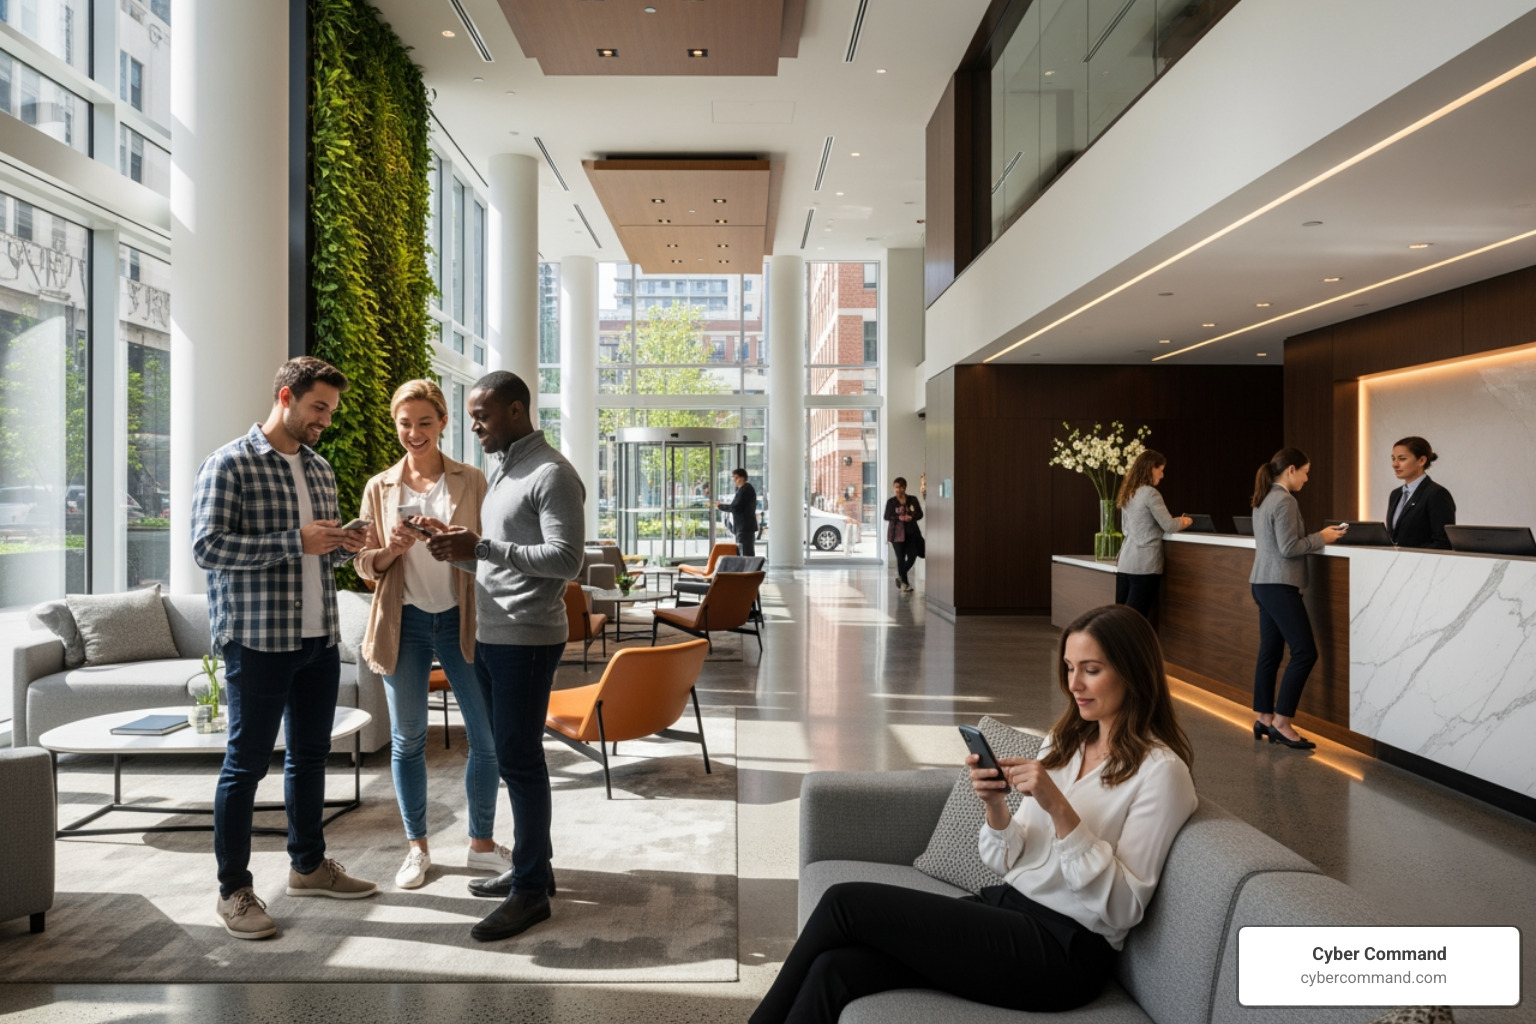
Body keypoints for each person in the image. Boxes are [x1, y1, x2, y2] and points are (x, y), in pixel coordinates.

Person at [750, 605, 1197, 1024]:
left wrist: (1058, 806)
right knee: (835, 969)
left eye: (1091, 670)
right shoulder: (1064, 744)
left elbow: (1122, 908)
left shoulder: (1161, 774)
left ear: (1134, 673)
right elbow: (1008, 860)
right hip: (1003, 911)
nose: (1074, 684)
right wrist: (995, 806)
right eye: (1069, 668)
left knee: (844, 902)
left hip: (1063, 951)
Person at [192, 356, 379, 942]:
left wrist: (349, 544)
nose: (326, 419)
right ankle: (234, 891)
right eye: (318, 407)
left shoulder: (320, 469)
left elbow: (320, 551)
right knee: (245, 766)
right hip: (258, 638)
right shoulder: (230, 464)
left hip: (319, 639)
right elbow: (207, 547)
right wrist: (293, 541)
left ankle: (308, 866)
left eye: (331, 410)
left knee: (308, 758)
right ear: (285, 397)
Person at [424, 370, 585, 942]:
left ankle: (530, 892)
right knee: (512, 757)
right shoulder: (505, 470)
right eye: (472, 415)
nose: (474, 425)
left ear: (516, 411)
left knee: (520, 762)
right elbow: (497, 561)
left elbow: (567, 561)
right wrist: (456, 549)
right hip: (493, 634)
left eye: (482, 414)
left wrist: (484, 546)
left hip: (528, 638)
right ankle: (531, 870)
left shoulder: (552, 473)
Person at [354, 379, 510, 891]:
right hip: (406, 622)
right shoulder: (380, 487)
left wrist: (452, 542)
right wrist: (393, 549)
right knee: (408, 740)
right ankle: (416, 847)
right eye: (404, 424)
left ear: (443, 423)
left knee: (486, 741)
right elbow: (363, 564)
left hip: (464, 618)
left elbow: (492, 551)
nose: (414, 433)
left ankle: (481, 846)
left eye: (424, 422)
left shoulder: (473, 481)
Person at [1249, 448, 1344, 750]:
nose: (1307, 478)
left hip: (1262, 582)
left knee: (1271, 652)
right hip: (1279, 584)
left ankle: (1264, 717)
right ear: (1291, 469)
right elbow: (1289, 547)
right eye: (1305, 472)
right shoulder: (1285, 500)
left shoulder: (1263, 497)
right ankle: (1281, 722)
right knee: (1305, 652)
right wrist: (1322, 537)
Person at [1113, 450, 1193, 620]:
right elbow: (1169, 525)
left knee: (1120, 619)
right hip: (1145, 565)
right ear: (1151, 468)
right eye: (1160, 470)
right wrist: (1185, 521)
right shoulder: (1150, 493)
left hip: (1126, 563)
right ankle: (1131, 648)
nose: (1162, 475)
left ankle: (1117, 647)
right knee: (1135, 620)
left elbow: (1126, 528)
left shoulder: (1128, 492)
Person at [1385, 435, 1455, 550]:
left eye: (1402, 459)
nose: (1395, 464)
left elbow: (1443, 543)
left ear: (1421, 460)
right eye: (1393, 459)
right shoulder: (1395, 494)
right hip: (1396, 564)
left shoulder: (1437, 494)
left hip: (1423, 565)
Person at [884, 477, 923, 592]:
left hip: (911, 532)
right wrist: (899, 517)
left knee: (913, 555)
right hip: (896, 534)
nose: (899, 489)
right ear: (894, 488)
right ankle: (905, 584)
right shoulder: (891, 502)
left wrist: (911, 517)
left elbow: (920, 514)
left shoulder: (912, 499)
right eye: (897, 487)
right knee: (900, 558)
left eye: (901, 487)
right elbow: (886, 516)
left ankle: (900, 576)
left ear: (905, 487)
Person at [717, 467, 758, 558]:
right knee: (746, 552)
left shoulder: (744, 490)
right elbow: (738, 505)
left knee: (745, 553)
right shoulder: (746, 489)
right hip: (745, 527)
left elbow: (735, 507)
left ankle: (748, 571)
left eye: (736, 478)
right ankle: (748, 571)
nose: (734, 481)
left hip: (744, 527)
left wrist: (720, 506)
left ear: (742, 478)